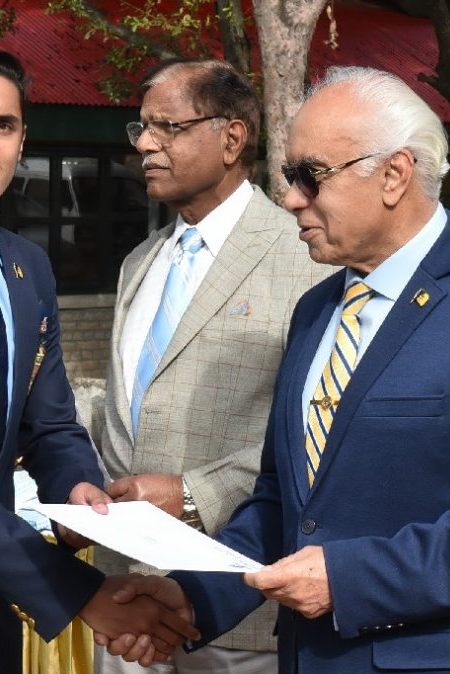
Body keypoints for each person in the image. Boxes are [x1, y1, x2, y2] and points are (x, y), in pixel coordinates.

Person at [103, 65, 450, 674]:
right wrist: (195, 596)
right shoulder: (317, 310)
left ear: (394, 174)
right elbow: (283, 501)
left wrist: (350, 578)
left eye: (310, 176)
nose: (293, 198)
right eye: (289, 177)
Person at [0, 41, 197, 674]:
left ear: (22, 141)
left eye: (2, 125)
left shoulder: (28, 267)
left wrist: (78, 494)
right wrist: (80, 594)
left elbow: (48, 423)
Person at [98, 57, 332, 674]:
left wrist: (194, 496)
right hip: (127, 608)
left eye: (168, 127)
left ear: (231, 138)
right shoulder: (139, 263)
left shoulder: (308, 259)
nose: (145, 144)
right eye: (142, 128)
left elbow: (323, 431)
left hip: (241, 607)